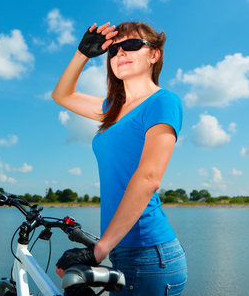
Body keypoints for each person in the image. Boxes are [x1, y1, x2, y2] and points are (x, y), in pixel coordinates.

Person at [53, 21, 187, 295]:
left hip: (149, 254)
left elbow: (149, 178)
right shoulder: (112, 108)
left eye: (131, 45)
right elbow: (61, 95)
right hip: (120, 249)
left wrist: (99, 250)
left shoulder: (163, 101)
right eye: (113, 50)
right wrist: (83, 54)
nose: (120, 53)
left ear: (154, 55)